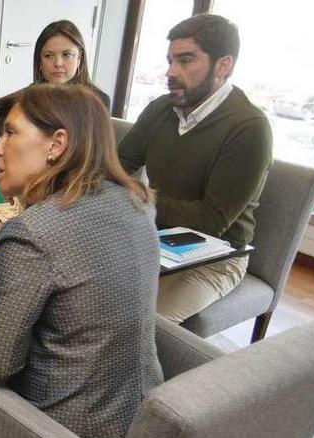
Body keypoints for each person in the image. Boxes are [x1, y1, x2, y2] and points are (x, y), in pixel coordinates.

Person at [0, 84, 163, 438]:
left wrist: (2, 304)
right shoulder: (137, 202)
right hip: (147, 426)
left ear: (56, 144)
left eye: (10, 133)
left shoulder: (33, 230)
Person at [117, 14, 273, 324]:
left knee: (129, 323)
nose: (172, 72)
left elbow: (209, 222)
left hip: (212, 257)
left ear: (223, 65)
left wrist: (134, 196)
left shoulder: (249, 128)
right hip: (152, 237)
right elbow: (115, 164)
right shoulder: (161, 108)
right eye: (171, 60)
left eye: (186, 60)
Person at [33, 20, 111, 109]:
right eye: (49, 56)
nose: (58, 63)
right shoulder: (23, 100)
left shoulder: (98, 100)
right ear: (39, 60)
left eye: (67, 55)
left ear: (79, 59)